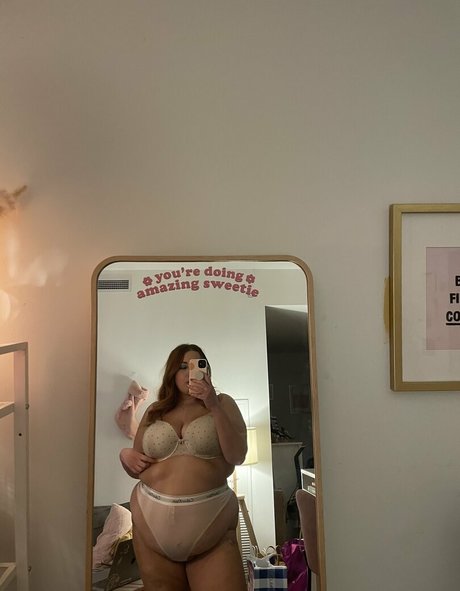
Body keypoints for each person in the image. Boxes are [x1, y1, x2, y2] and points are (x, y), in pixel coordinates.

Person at [119, 344, 248, 591]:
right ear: (172, 372)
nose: (190, 372)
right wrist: (125, 456)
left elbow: (237, 455)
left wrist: (213, 405)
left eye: (198, 365)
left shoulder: (223, 403)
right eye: (182, 366)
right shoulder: (155, 411)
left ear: (207, 370)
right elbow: (137, 467)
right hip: (151, 528)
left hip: (211, 526)